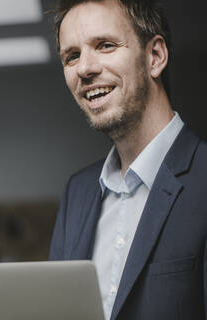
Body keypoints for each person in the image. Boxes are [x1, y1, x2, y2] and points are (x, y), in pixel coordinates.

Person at [48, 0, 207, 319]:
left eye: (105, 45)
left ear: (155, 57)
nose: (84, 68)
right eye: (72, 56)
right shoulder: (77, 191)